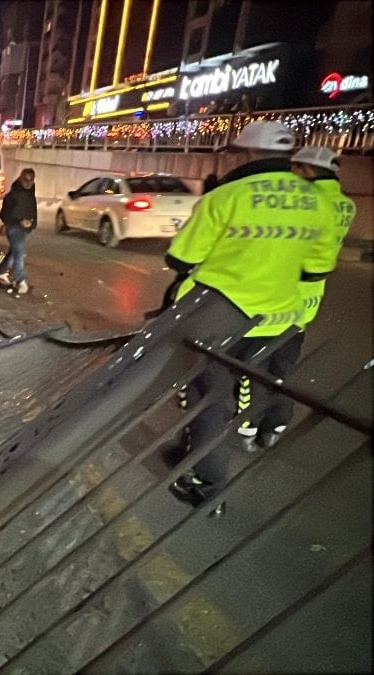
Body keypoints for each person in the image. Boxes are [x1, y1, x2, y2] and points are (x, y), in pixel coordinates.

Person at [163, 121, 336, 511]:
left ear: (247, 153)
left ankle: (206, 484)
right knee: (250, 387)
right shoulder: (316, 203)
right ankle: (204, 451)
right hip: (276, 320)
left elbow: (181, 259)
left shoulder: (227, 196)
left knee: (209, 399)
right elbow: (316, 269)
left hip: (217, 316)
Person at [234, 146, 355, 450]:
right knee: (282, 367)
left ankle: (247, 428)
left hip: (273, 297)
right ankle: (276, 423)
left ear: (304, 169)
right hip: (307, 302)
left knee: (249, 367)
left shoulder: (302, 201)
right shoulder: (345, 205)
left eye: (293, 167)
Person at [0, 168, 38, 294]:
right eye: (26, 180)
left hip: (24, 229)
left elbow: (33, 212)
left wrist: (32, 225)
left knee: (14, 252)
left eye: (31, 180)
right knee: (19, 253)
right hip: (14, 228)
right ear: (21, 179)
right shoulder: (12, 196)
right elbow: (4, 215)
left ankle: (0, 272)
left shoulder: (30, 195)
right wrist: (19, 222)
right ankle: (20, 280)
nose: (28, 183)